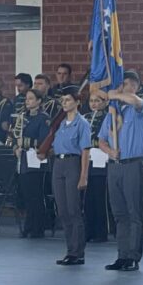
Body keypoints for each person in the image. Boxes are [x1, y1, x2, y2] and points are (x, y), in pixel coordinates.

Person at [98, 71, 143, 271]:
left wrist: (114, 94)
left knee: (134, 213)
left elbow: (134, 101)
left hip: (133, 165)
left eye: (125, 84)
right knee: (119, 213)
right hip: (115, 166)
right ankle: (122, 255)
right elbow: (102, 140)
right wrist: (110, 151)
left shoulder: (140, 108)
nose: (121, 87)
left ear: (135, 86)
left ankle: (133, 257)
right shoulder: (113, 112)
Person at [47, 86, 91, 265]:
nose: (64, 103)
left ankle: (77, 252)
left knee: (73, 209)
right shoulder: (60, 123)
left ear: (77, 102)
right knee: (63, 210)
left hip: (73, 163)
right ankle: (69, 249)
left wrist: (83, 175)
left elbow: (85, 151)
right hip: (58, 164)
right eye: (62, 100)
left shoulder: (82, 123)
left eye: (68, 100)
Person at [15, 89, 50, 239]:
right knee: (27, 195)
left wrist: (24, 143)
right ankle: (28, 225)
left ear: (39, 101)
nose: (27, 101)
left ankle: (38, 227)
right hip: (24, 160)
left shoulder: (43, 118)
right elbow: (15, 136)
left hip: (36, 160)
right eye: (26, 99)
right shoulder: (23, 117)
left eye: (31, 98)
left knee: (36, 195)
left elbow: (44, 140)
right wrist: (16, 147)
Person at [83, 89, 110, 243]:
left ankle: (101, 232)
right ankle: (89, 230)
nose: (94, 104)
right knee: (88, 199)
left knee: (100, 198)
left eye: (97, 101)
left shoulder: (108, 118)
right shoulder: (85, 118)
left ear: (105, 103)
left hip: (102, 160)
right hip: (88, 161)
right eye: (91, 101)